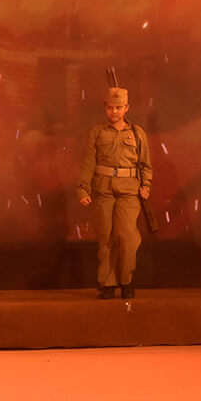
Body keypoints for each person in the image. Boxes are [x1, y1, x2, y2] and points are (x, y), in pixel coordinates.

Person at [77, 87, 152, 299]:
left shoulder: (137, 133)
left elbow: (145, 163)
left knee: (127, 237)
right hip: (103, 190)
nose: (114, 112)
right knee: (106, 237)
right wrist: (83, 188)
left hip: (129, 190)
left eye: (119, 107)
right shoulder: (97, 132)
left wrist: (146, 185)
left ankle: (126, 279)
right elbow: (88, 162)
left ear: (127, 107)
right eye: (110, 107)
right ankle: (108, 283)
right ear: (105, 108)